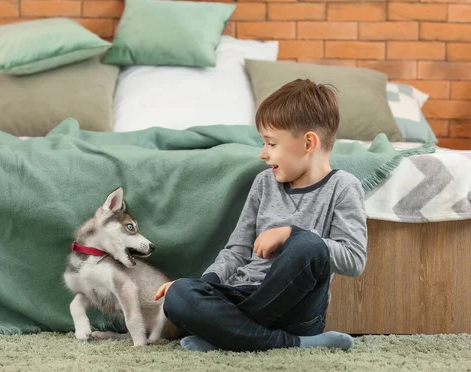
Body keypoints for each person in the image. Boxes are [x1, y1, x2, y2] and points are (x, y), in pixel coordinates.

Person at [154, 79, 368, 352]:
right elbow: (237, 250)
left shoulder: (343, 186)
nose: (263, 154)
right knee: (178, 293)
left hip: (299, 310)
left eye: (271, 143)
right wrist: (204, 286)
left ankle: (227, 334)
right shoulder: (264, 184)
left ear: (309, 143)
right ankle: (287, 343)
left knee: (308, 245)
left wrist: (291, 234)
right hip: (244, 295)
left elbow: (354, 259)